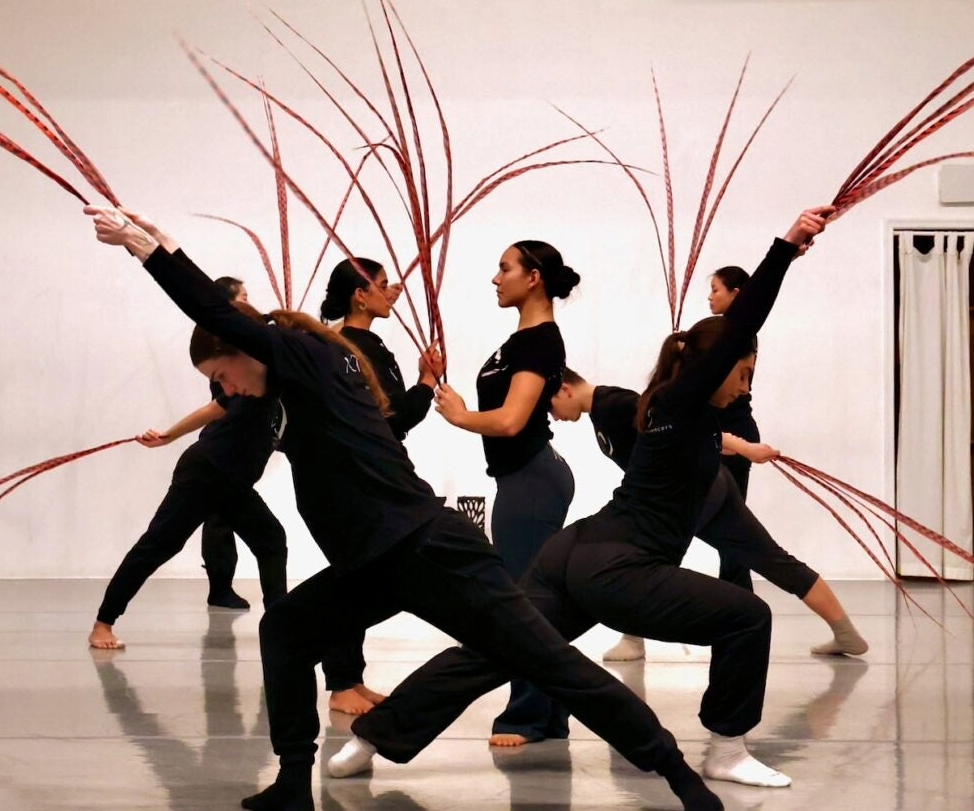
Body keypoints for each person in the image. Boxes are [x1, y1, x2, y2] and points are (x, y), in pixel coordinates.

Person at [84, 204, 725, 811]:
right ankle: (289, 783)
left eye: (219, 374)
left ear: (242, 351)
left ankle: (678, 775)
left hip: (428, 550)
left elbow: (222, 313)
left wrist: (152, 250)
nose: (221, 389)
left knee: (551, 663)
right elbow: (232, 328)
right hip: (376, 561)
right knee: (284, 630)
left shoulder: (305, 356)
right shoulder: (302, 372)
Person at [322, 205, 835, 791]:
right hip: (623, 567)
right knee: (749, 617)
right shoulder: (684, 400)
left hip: (574, 552)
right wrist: (786, 247)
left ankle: (370, 739)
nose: (745, 383)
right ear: (711, 369)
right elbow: (742, 324)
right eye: (741, 371)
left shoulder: (658, 404)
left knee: (497, 646)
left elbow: (701, 429)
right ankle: (726, 746)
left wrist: (746, 447)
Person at [550, 367, 868, 659]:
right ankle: (846, 633)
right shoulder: (602, 410)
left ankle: (633, 640)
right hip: (709, 484)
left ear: (565, 389)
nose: (554, 417)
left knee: (644, 561)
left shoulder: (614, 405)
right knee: (769, 557)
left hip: (692, 493)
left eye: (550, 406)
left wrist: (744, 448)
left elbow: (684, 431)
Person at [86, 276, 288, 649]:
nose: (226, 385)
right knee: (160, 545)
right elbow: (215, 409)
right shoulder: (245, 381)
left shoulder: (271, 375)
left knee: (271, 539)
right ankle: (103, 624)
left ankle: (279, 630)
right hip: (206, 470)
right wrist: (169, 435)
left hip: (234, 482)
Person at [433, 240, 577, 746]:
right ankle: (549, 714)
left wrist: (459, 418)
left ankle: (530, 717)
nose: (496, 278)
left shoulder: (540, 340)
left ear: (533, 277)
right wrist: (447, 394)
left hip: (533, 480)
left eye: (504, 268)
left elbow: (513, 420)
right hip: (522, 479)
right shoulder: (520, 340)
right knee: (530, 599)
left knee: (524, 604)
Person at [313, 256, 443, 715]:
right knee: (353, 577)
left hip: (375, 473)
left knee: (362, 576)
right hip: (359, 480)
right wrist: (427, 382)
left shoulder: (366, 345)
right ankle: (340, 682)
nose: (392, 293)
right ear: (359, 295)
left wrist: (423, 382)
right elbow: (394, 418)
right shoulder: (348, 349)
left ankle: (349, 677)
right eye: (382, 286)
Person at [201, 275, 256, 610]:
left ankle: (221, 587)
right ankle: (220, 588)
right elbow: (223, 400)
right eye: (245, 296)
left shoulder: (233, 336)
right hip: (226, 439)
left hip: (235, 438)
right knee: (218, 517)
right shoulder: (223, 340)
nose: (250, 302)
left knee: (222, 515)